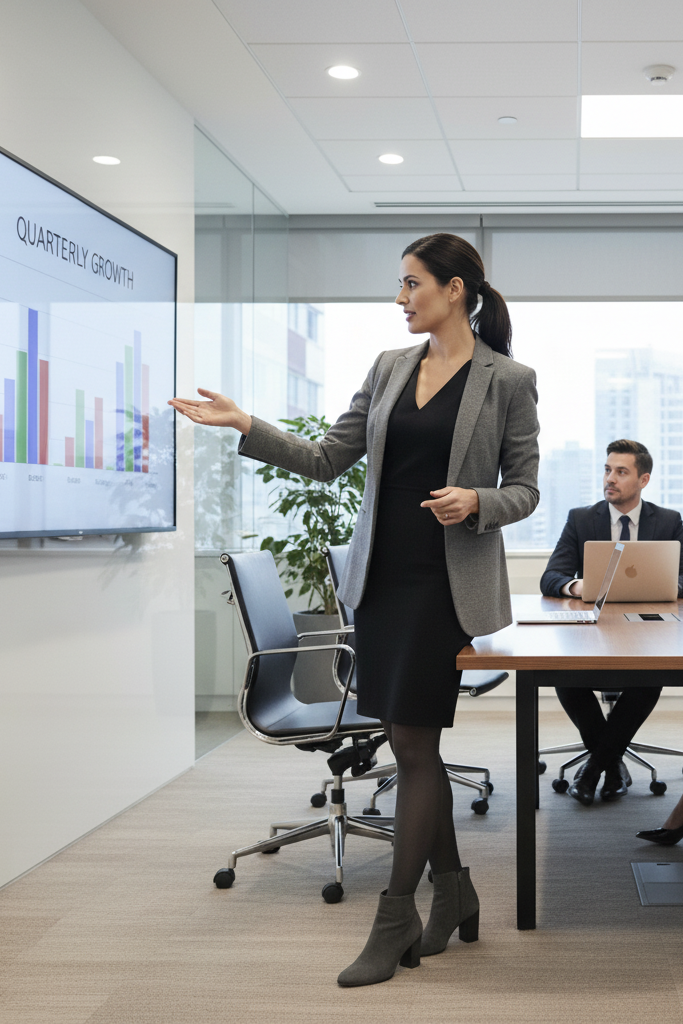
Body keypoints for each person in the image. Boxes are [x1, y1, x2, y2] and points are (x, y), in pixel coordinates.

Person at [169, 233, 540, 988]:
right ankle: (456, 892)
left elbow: (527, 488)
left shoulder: (507, 379)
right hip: (379, 581)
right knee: (412, 750)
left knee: (413, 744)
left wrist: (478, 500)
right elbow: (327, 458)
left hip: (443, 588)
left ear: (455, 290)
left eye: (411, 284)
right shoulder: (388, 368)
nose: (400, 299)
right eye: (400, 286)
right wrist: (247, 425)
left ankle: (396, 912)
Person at [541, 439, 683, 807]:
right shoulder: (581, 518)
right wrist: (577, 585)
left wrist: (664, 585)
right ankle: (611, 763)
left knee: (648, 677)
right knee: (564, 678)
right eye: (607, 470)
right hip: (593, 632)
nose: (611, 478)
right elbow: (551, 576)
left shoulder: (669, 521)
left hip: (648, 633)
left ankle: (593, 771)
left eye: (621, 472)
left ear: (643, 479)